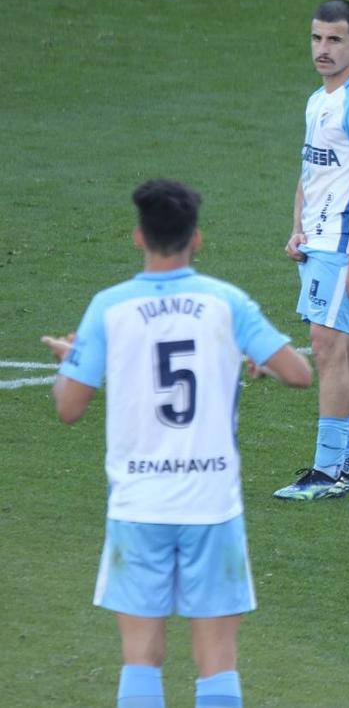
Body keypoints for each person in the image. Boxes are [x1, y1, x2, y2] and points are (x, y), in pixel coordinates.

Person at [41, 179, 312, 708]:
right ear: (198, 239)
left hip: (138, 505)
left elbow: (68, 408)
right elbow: (300, 374)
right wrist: (253, 362)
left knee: (141, 655)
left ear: (139, 237)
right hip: (211, 504)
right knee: (216, 663)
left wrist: (71, 361)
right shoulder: (225, 302)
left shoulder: (108, 307)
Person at [274, 0, 349, 500]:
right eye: (317, 38)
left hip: (344, 243)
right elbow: (313, 167)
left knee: (326, 347)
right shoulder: (319, 98)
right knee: (344, 345)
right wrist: (298, 224)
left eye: (335, 40)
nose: (323, 49)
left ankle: (327, 473)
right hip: (320, 239)